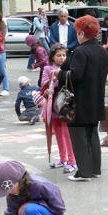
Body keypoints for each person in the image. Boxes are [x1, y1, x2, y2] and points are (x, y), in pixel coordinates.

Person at [55, 15, 108, 181]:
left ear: (82, 34)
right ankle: (95, 169)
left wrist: (60, 73)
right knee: (92, 134)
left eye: (77, 31)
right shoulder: (101, 50)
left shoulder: (80, 51)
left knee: (79, 136)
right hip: (96, 99)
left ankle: (84, 172)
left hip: (80, 101)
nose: (76, 34)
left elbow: (75, 75)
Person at [41, 44, 76, 174]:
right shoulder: (47, 68)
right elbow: (43, 84)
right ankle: (63, 159)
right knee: (58, 133)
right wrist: (51, 81)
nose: (62, 58)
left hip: (65, 105)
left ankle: (72, 161)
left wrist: (60, 76)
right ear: (52, 57)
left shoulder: (68, 69)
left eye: (64, 55)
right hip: (52, 106)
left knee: (67, 134)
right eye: (58, 55)